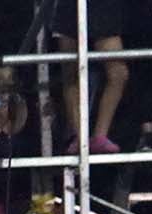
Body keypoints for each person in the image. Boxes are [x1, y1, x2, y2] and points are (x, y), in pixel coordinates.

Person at [54, 3, 129, 154]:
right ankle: (80, 137)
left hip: (102, 8)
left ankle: (100, 136)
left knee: (118, 73)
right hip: (68, 7)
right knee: (71, 73)